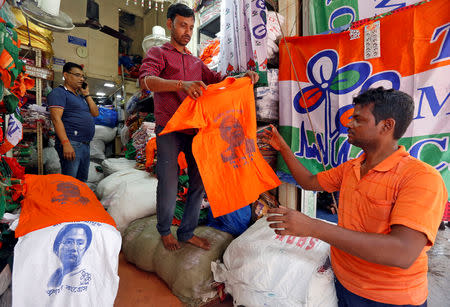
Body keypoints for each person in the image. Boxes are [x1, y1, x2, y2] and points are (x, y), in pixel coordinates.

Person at [261, 87, 447, 307]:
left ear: (386, 126)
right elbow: (309, 181)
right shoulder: (352, 167)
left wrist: (312, 227)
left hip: (389, 298)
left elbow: (402, 252)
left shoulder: (421, 178)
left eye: (358, 119)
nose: (349, 124)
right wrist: (282, 147)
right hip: (344, 284)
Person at [139, 3, 259, 251]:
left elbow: (217, 81)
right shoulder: (158, 54)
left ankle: (186, 232)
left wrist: (243, 78)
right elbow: (147, 81)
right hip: (170, 128)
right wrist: (180, 84)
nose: (187, 31)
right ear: (170, 24)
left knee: (198, 183)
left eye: (191, 27)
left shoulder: (196, 62)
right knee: (169, 183)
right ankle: (164, 231)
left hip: (196, 131)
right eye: (183, 25)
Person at [48, 62, 99, 182]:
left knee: (81, 182)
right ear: (65, 75)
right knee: (70, 184)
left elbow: (95, 113)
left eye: (83, 76)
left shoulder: (80, 97)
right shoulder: (59, 93)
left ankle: (77, 201)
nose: (81, 79)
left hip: (85, 144)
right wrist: (65, 143)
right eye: (77, 75)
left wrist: (86, 94)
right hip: (72, 142)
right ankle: (68, 201)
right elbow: (56, 119)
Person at [48, 223, 93, 288]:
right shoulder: (54, 275)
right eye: (68, 242)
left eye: (80, 243)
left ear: (86, 247)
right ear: (57, 246)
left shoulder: (86, 276)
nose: (74, 248)